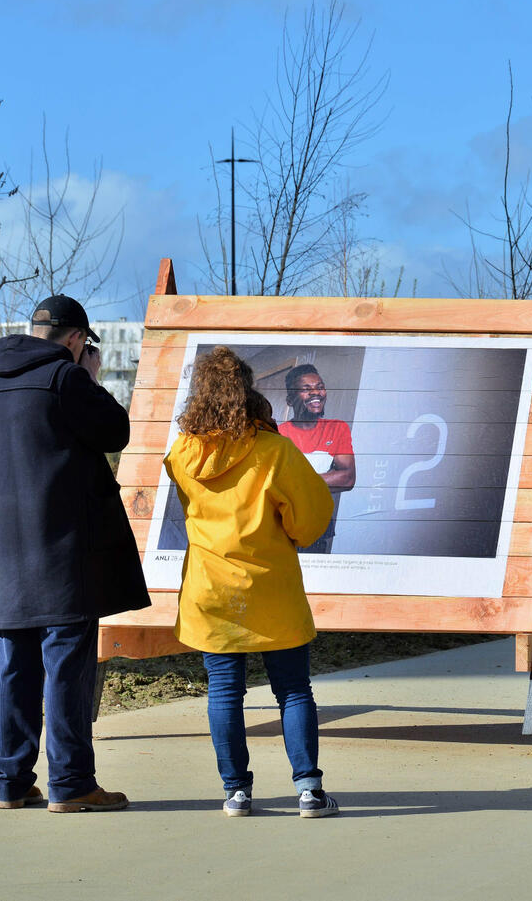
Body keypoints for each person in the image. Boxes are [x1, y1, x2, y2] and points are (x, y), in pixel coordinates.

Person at [0, 295, 149, 813]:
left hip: (4, 546)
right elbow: (116, 432)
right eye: (85, 346)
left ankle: (10, 781)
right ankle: (71, 784)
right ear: (76, 339)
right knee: (67, 666)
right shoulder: (65, 379)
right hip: (63, 547)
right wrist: (90, 378)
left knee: (15, 664)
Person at [165, 346, 340, 818]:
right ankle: (308, 790)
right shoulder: (275, 451)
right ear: (249, 395)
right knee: (293, 689)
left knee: (224, 692)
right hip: (270, 589)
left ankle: (236, 792)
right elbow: (310, 522)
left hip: (210, 590)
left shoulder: (182, 453)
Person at [276, 363, 356, 553]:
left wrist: (297, 481)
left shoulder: (337, 428)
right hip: (281, 529)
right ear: (290, 399)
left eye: (320, 387)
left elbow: (347, 478)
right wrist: (324, 478)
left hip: (319, 529)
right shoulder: (277, 434)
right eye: (306, 389)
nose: (316, 393)